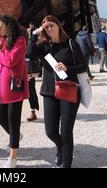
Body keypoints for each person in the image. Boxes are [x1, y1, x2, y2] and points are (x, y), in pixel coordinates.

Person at [30, 15, 86, 168]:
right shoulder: (44, 46)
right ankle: (61, 147)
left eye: (51, 26)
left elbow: (83, 66)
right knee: (50, 131)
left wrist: (68, 68)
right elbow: (29, 54)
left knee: (66, 131)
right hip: (49, 91)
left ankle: (67, 163)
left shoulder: (71, 44)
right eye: (46, 27)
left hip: (68, 89)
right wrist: (35, 33)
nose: (48, 29)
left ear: (58, 26)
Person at [0, 15, 29, 169]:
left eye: (0, 27)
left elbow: (11, 61)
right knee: (0, 117)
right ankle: (16, 136)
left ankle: (13, 157)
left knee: (14, 122)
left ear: (9, 26)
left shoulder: (20, 40)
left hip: (14, 86)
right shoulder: (2, 40)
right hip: (1, 84)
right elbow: (0, 60)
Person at [26, 23, 40, 122]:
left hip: (29, 70)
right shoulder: (19, 42)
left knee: (31, 91)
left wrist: (36, 73)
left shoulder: (33, 44)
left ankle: (33, 111)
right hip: (19, 70)